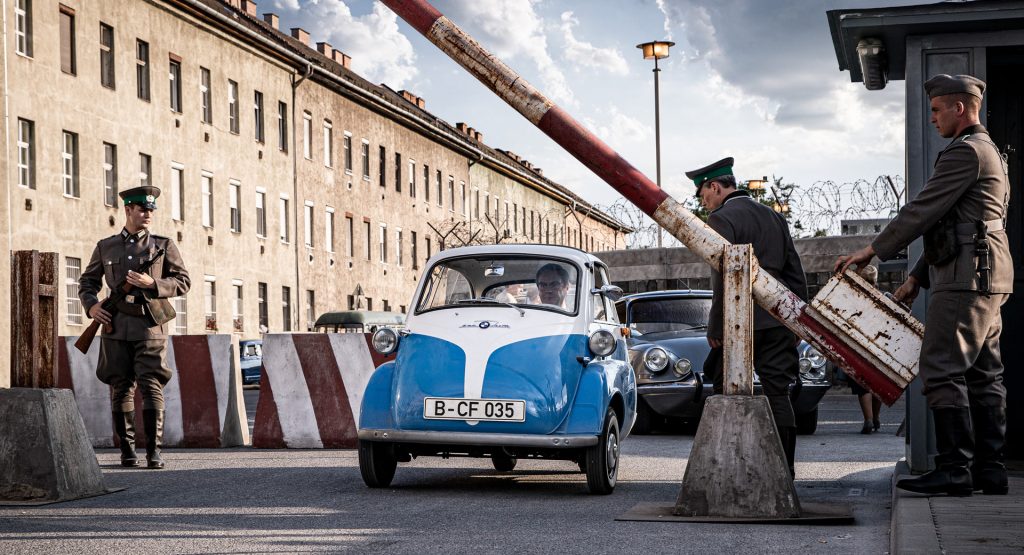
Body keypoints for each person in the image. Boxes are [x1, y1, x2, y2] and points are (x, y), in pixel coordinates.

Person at [836, 74, 1012, 496]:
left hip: (965, 277)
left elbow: (923, 211)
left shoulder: (965, 153)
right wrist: (917, 276)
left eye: (936, 110)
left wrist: (872, 250)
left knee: (939, 370)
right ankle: (990, 470)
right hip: (986, 275)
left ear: (960, 108)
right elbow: (954, 223)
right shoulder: (991, 153)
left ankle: (954, 470)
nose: (932, 118)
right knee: (985, 375)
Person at [688, 157, 808, 478]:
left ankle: (729, 469)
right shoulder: (773, 217)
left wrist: (716, 325)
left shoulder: (721, 219)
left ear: (715, 187)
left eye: (703, 195)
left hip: (738, 324)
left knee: (724, 389)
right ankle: (785, 472)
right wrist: (797, 320)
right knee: (778, 393)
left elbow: (722, 277)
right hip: (777, 320)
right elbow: (795, 272)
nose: (704, 201)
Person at [79, 186, 191, 469]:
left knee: (151, 385)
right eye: (142, 209)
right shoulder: (106, 246)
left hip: (149, 326)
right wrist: (92, 306)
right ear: (128, 210)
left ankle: (154, 453)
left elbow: (183, 282)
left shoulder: (162, 246)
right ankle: (127, 452)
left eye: (151, 210)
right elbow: (87, 282)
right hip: (114, 326)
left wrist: (152, 284)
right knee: (120, 387)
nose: (148, 214)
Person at [853, 265, 883, 434]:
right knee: (878, 383)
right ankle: (877, 418)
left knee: (862, 385)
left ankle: (868, 419)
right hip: (879, 346)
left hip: (859, 345)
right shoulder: (882, 297)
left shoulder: (854, 297)